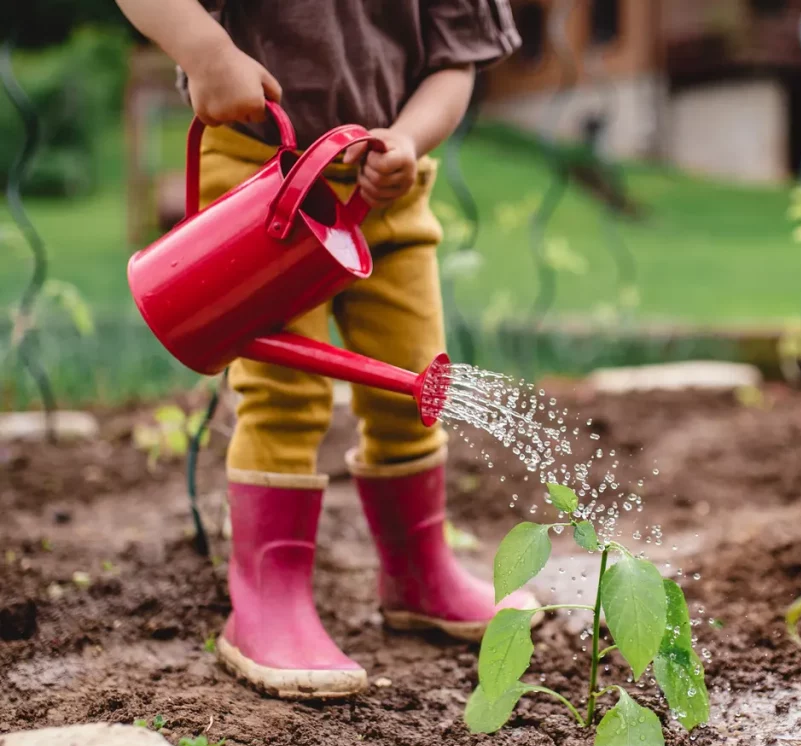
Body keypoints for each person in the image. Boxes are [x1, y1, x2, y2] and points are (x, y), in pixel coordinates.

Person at [115, 0, 539, 700]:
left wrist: (407, 137)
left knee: (414, 385)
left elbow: (454, 63)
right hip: (262, 179)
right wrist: (207, 52)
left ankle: (419, 570)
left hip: (388, 190)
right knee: (286, 398)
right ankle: (266, 600)